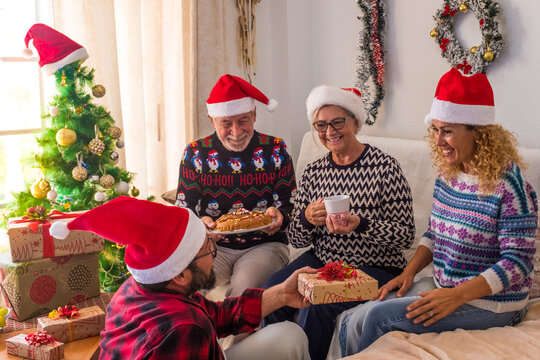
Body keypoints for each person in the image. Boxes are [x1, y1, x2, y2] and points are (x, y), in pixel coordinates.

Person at [334, 68, 538, 357]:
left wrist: (456, 297)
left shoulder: (510, 188)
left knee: (378, 318)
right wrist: (409, 272)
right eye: (436, 130)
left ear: (478, 133)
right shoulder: (449, 175)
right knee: (355, 315)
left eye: (448, 131)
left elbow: (517, 264)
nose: (439, 140)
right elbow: (434, 234)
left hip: (493, 304)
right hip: (445, 286)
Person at [50, 196, 312, 359]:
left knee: (290, 334)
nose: (214, 252)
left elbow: (216, 315)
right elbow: (194, 325)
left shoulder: (136, 287)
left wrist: (281, 294)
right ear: (181, 275)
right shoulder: (184, 328)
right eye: (206, 248)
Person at [262, 85, 416, 360]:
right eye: (321, 125)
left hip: (376, 265)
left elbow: (405, 236)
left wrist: (360, 224)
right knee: (271, 292)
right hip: (323, 260)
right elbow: (296, 241)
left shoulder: (385, 168)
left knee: (317, 303)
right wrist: (308, 219)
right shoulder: (314, 172)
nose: (329, 131)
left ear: (355, 123)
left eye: (337, 122)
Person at [176, 74, 296, 297]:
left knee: (243, 293)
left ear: (254, 115)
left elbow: (291, 205)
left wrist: (281, 217)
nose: (237, 131)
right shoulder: (196, 153)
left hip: (265, 244)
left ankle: (226, 333)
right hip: (212, 247)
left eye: (243, 120)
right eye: (226, 124)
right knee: (186, 292)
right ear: (212, 121)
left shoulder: (275, 149)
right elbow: (184, 209)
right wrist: (201, 227)